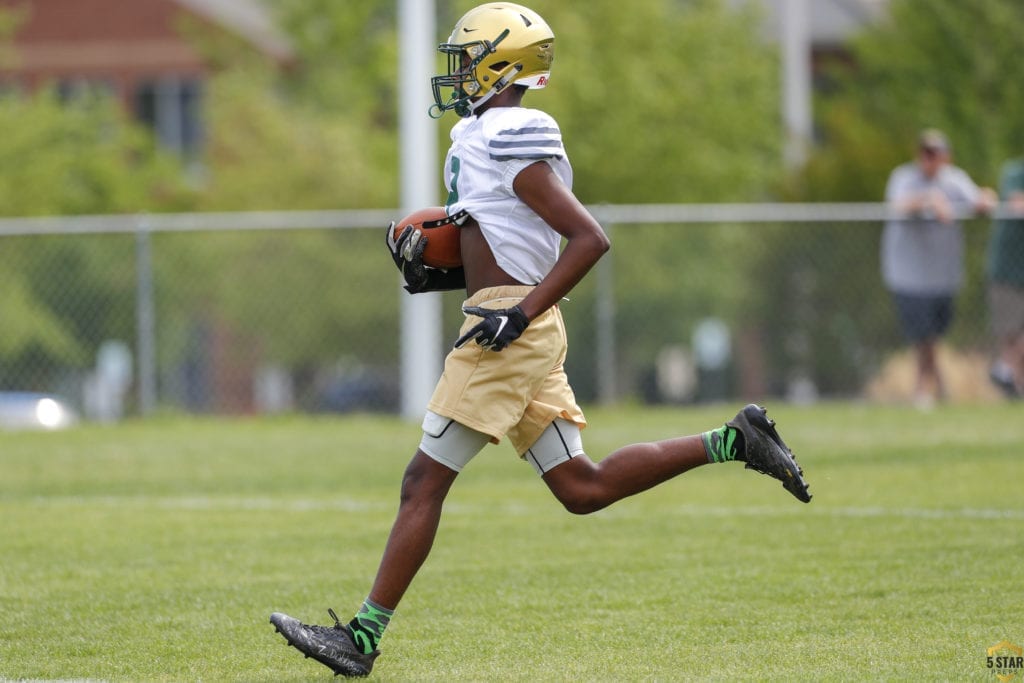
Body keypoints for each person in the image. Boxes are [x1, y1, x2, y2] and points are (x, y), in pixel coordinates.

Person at [269, 4, 811, 677]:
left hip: (508, 328)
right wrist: (444, 256)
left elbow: (589, 238)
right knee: (582, 486)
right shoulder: (486, 133)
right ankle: (737, 439)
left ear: (501, 64)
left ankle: (362, 637)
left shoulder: (504, 132)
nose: (459, 72)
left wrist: (519, 313)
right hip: (512, 319)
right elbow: (511, 235)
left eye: (468, 60)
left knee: (421, 481)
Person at [881, 128, 997, 409]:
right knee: (923, 335)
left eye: (935, 153)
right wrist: (928, 200)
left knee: (935, 333)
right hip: (909, 274)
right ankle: (927, 388)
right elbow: (897, 204)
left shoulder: (954, 180)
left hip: (942, 275)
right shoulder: (904, 177)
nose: (929, 159)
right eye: (925, 153)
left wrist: (986, 199)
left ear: (946, 156)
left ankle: (937, 387)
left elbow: (978, 199)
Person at [986, 157, 1024, 398]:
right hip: (1007, 271)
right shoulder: (1014, 173)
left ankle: (1006, 370)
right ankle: (1011, 376)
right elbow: (1016, 204)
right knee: (1010, 333)